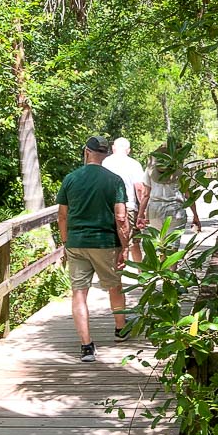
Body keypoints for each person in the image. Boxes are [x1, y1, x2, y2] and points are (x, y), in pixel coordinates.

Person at [56, 135, 131, 362]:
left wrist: (65, 241)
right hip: (104, 242)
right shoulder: (114, 180)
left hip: (77, 243)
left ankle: (86, 346)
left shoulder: (70, 178)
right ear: (106, 154)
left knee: (79, 293)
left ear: (86, 152)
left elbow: (62, 215)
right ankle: (120, 329)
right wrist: (125, 246)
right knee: (114, 286)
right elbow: (121, 217)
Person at [137, 142, 202, 244]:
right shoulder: (182, 170)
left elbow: (146, 194)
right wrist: (195, 215)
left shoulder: (149, 170)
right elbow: (188, 195)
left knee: (159, 246)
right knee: (172, 248)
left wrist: (140, 215)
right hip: (175, 210)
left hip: (155, 209)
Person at [102, 137, 147, 264]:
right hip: (129, 207)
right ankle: (141, 274)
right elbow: (139, 188)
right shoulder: (134, 164)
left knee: (112, 242)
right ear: (128, 150)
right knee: (133, 243)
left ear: (113, 148)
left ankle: (114, 275)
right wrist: (143, 212)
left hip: (108, 208)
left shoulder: (105, 163)